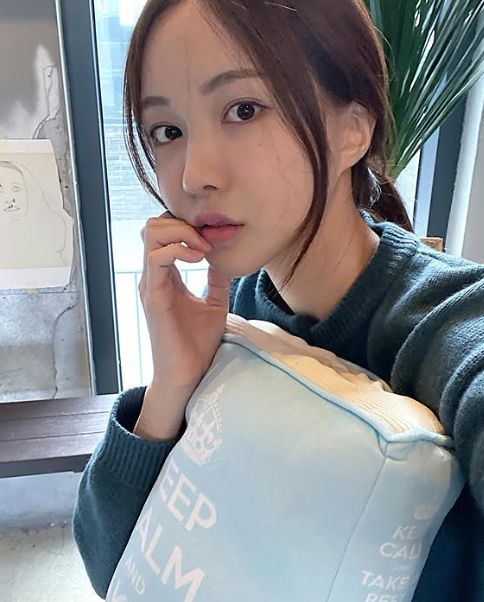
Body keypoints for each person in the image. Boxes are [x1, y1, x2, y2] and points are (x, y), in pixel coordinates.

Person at [73, 0, 484, 600]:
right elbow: (114, 565)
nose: (193, 175)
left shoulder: (446, 325)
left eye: (243, 109)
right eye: (168, 131)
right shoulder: (238, 306)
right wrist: (172, 384)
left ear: (352, 129)